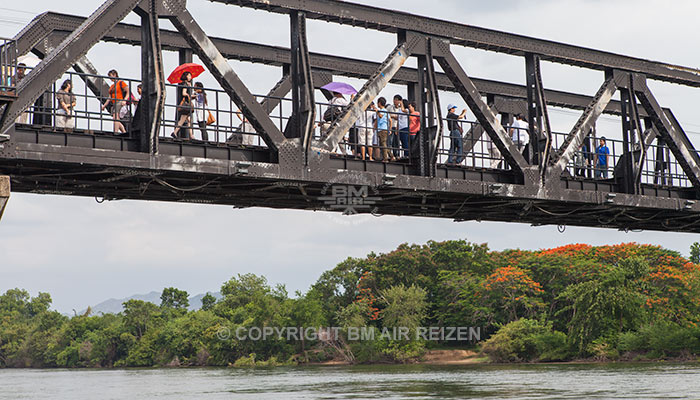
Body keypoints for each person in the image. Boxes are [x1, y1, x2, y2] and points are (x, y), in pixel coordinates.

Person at [101, 69, 128, 135]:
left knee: (115, 117)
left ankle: (115, 132)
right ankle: (124, 131)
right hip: (114, 102)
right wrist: (104, 105)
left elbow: (128, 92)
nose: (110, 78)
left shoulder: (121, 83)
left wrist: (125, 100)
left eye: (110, 76)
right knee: (116, 118)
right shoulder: (112, 86)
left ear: (115, 75)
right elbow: (110, 97)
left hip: (119, 101)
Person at [171, 71, 194, 140]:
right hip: (186, 105)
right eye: (189, 75)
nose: (190, 77)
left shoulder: (187, 84)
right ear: (186, 76)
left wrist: (192, 95)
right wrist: (188, 95)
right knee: (182, 120)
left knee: (189, 120)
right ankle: (175, 132)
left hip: (186, 104)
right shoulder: (185, 84)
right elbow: (184, 93)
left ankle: (191, 135)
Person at [375, 97, 394, 162]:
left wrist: (377, 112)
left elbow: (381, 116)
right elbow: (390, 120)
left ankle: (385, 158)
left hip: (383, 129)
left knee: (383, 144)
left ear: (379, 103)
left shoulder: (383, 110)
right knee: (383, 144)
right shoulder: (385, 111)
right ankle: (391, 156)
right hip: (381, 129)